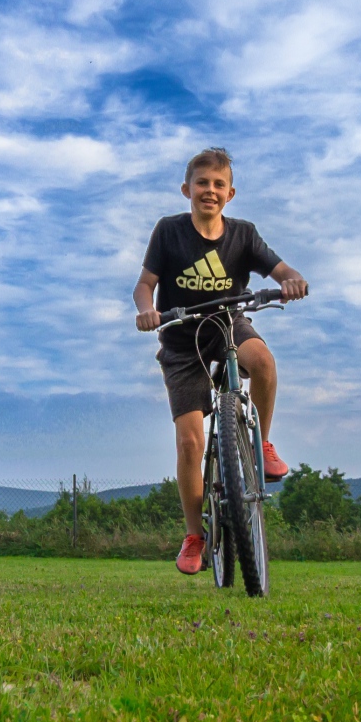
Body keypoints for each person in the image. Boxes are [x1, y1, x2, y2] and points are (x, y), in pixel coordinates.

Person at [132, 147, 308, 576]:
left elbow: (280, 269)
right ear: (186, 189)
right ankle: (195, 534)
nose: (209, 191)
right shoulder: (169, 232)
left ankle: (260, 444)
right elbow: (145, 284)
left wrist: (292, 281)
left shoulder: (243, 235)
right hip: (181, 337)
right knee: (190, 441)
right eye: (201, 183)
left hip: (228, 324)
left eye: (218, 184)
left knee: (262, 362)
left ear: (230, 193)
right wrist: (146, 310)